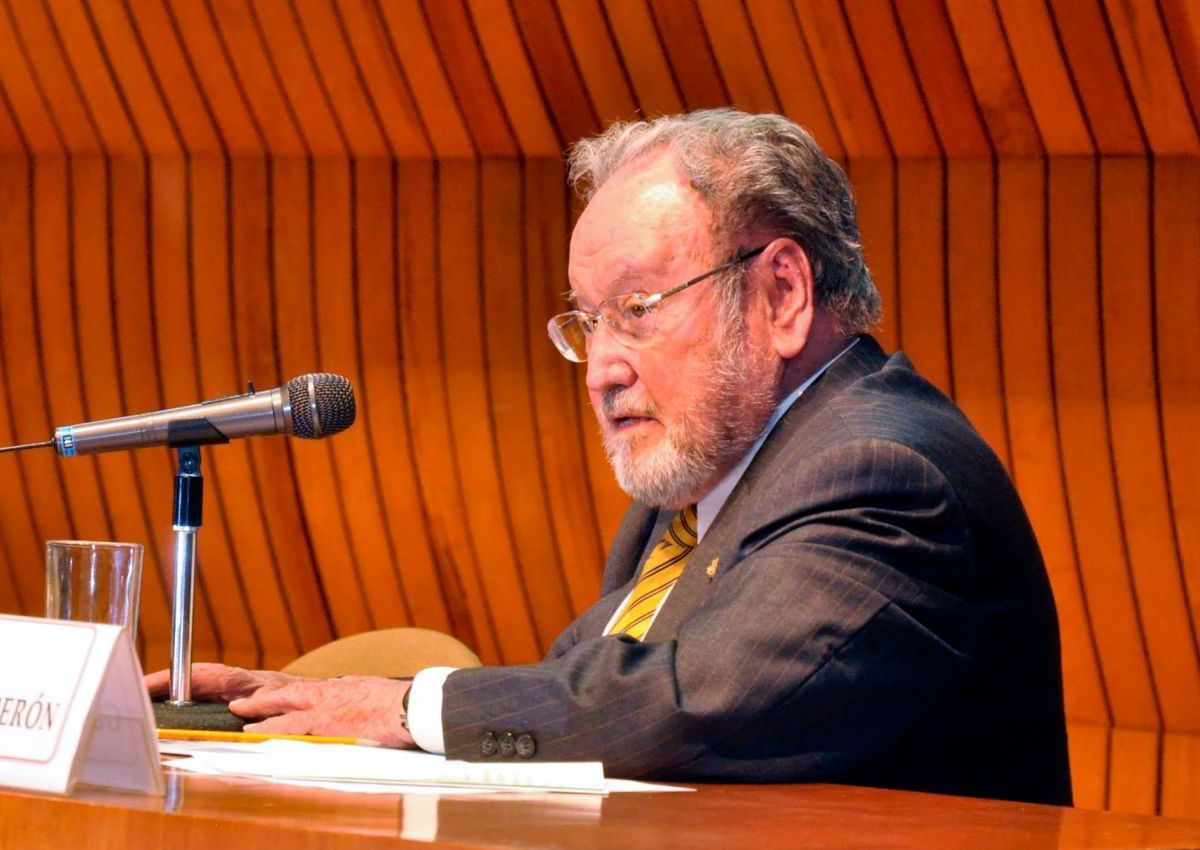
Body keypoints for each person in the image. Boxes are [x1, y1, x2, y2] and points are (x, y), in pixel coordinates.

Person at [147, 109, 1072, 805]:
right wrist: (328, 705)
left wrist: (397, 710)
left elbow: (689, 705)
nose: (601, 370)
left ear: (782, 293)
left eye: (637, 309)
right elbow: (587, 693)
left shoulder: (883, 474)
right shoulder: (707, 480)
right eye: (588, 321)